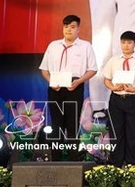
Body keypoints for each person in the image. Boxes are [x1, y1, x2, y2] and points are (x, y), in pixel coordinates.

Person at [38, 14, 97, 161]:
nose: (68, 30)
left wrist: (79, 82)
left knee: (72, 125)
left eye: (72, 27)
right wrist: (51, 81)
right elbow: (44, 69)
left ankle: (73, 161)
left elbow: (92, 69)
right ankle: (56, 159)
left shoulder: (85, 46)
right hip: (55, 88)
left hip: (74, 88)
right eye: (66, 27)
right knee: (56, 125)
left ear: (78, 29)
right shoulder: (53, 45)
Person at [102, 31, 135, 167]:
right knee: (116, 132)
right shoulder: (113, 60)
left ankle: (132, 163)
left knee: (133, 132)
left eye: (129, 42)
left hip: (133, 99)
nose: (126, 45)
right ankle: (116, 163)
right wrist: (113, 86)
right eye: (123, 42)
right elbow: (106, 79)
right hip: (116, 99)